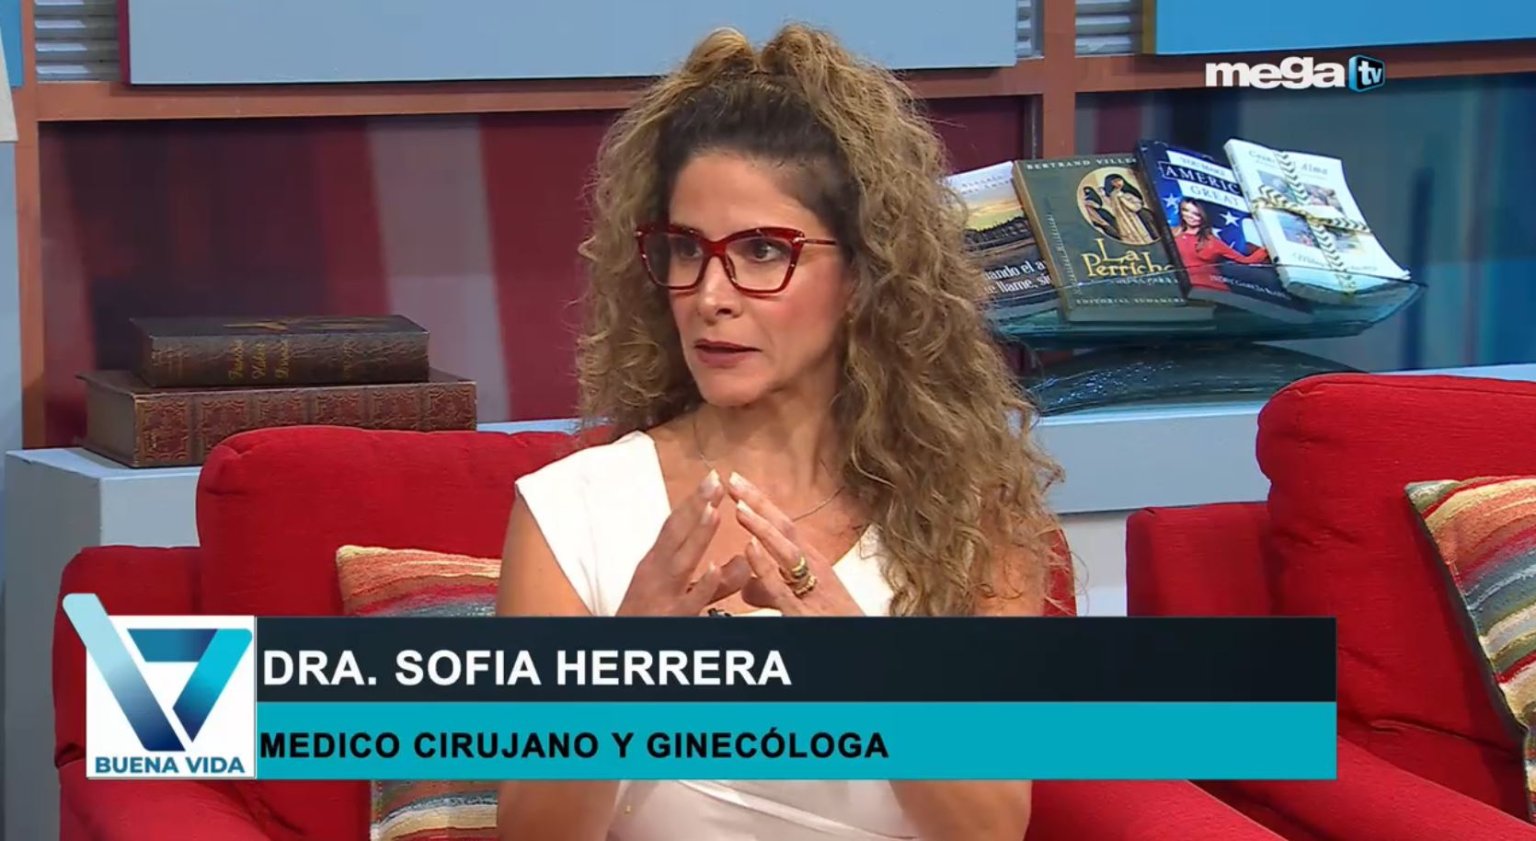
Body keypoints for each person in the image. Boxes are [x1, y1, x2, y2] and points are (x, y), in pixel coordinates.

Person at [495, 22, 1067, 841]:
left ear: (864, 273)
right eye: (685, 249)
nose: (710, 295)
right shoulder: (570, 510)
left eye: (763, 250)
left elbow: (992, 828)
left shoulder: (972, 510)